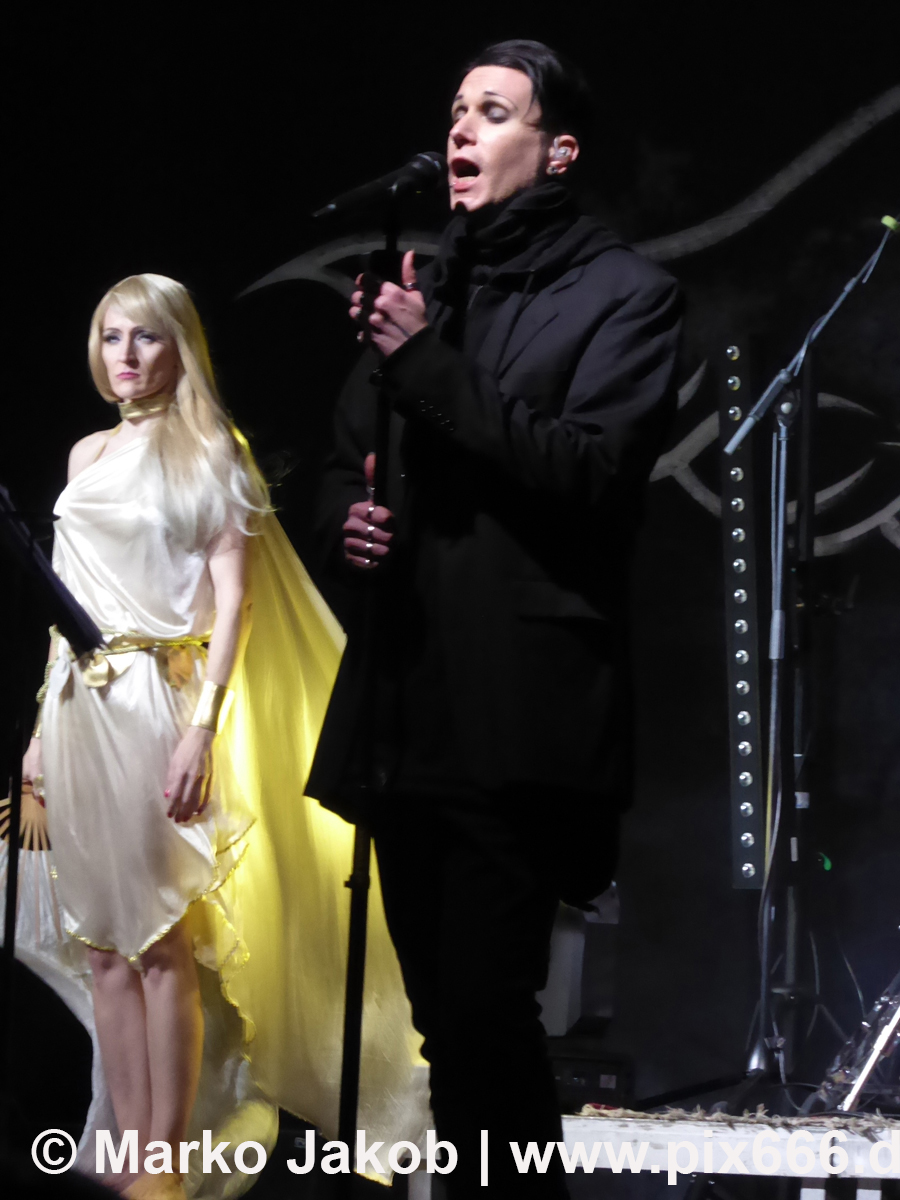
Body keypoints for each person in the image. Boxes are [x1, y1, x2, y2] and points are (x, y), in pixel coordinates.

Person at [306, 39, 683, 1198]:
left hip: (522, 717)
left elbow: (585, 471)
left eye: (494, 112)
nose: (461, 129)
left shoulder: (628, 295)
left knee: (484, 1013)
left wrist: (424, 361)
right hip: (406, 700)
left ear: (557, 151)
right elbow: (343, 458)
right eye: (457, 110)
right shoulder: (429, 284)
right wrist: (348, 519)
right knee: (447, 1026)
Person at [8, 274, 427, 1199]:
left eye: (145, 337)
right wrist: (40, 730)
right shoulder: (84, 456)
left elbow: (235, 603)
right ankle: (126, 1158)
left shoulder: (210, 450)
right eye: (111, 336)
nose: (125, 355)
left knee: (162, 940)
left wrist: (202, 729)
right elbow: (65, 608)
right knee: (103, 946)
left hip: (159, 699)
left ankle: (164, 1162)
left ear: (179, 345)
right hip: (79, 707)